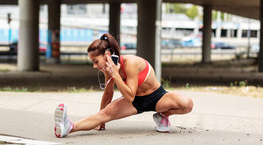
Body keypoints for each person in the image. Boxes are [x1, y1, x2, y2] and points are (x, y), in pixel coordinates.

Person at [54, 33, 193, 138]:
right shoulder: (109, 69)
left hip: (156, 97)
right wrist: (102, 119)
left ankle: (162, 115)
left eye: (96, 61)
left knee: (187, 103)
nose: (94, 66)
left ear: (107, 55)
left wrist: (115, 75)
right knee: (103, 114)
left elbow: (130, 95)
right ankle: (68, 127)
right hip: (135, 101)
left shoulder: (130, 63)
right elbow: (109, 94)